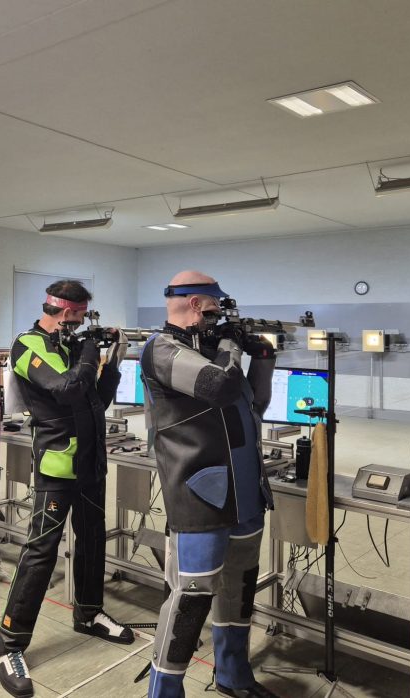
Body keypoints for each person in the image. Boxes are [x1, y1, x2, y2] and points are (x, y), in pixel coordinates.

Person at [0, 280, 133, 698]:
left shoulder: (72, 346)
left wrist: (114, 359)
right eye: (81, 317)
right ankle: (9, 642)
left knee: (92, 540)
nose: (83, 325)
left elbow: (96, 399)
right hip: (57, 465)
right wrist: (89, 349)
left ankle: (88, 613)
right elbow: (66, 388)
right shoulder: (28, 344)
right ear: (65, 312)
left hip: (90, 462)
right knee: (41, 552)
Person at [140, 271, 278, 698]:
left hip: (245, 491)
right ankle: (164, 692)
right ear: (197, 304)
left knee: (238, 590)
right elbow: (217, 386)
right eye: (217, 308)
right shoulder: (161, 350)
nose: (220, 316)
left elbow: (256, 403)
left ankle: (233, 675)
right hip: (200, 496)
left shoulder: (215, 351)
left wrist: (263, 355)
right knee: (191, 599)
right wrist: (231, 343)